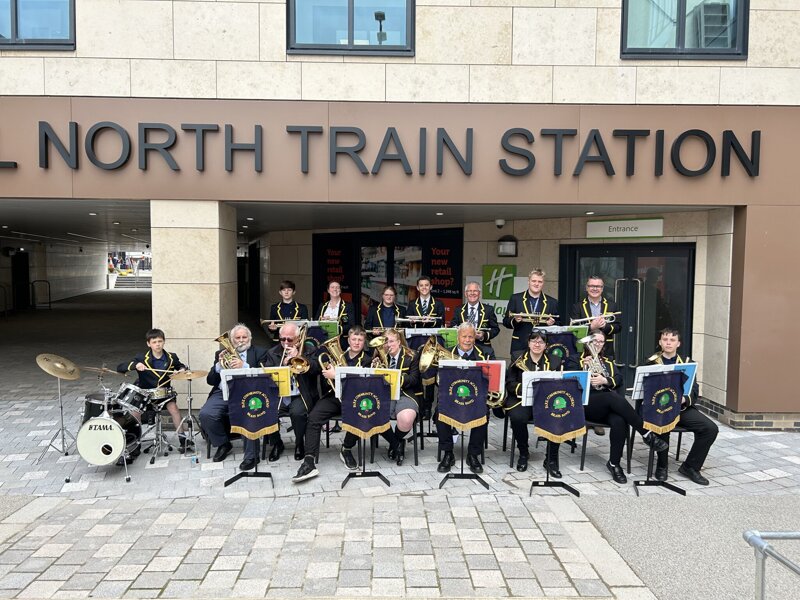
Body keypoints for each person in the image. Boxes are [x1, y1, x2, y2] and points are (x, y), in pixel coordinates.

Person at [567, 330, 669, 484]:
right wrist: (584, 367)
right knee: (611, 396)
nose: (598, 344)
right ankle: (646, 433)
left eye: (601, 342)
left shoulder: (607, 362)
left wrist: (605, 380)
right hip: (586, 404)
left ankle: (614, 464)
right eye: (594, 341)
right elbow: (569, 381)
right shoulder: (575, 360)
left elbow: (619, 379)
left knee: (619, 420)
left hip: (608, 405)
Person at [292, 326, 376, 482]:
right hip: (333, 396)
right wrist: (323, 370)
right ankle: (309, 461)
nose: (356, 343)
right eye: (353, 339)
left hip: (354, 399)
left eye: (360, 340)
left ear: (364, 342)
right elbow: (317, 367)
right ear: (348, 340)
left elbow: (363, 383)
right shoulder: (336, 355)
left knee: (362, 413)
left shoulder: (368, 359)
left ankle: (346, 449)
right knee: (314, 417)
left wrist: (336, 373)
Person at [647, 328, 718, 485]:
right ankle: (662, 466)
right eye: (665, 339)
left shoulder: (687, 363)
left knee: (710, 428)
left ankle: (691, 467)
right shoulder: (650, 362)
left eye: (672, 340)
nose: (668, 343)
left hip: (682, 409)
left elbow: (694, 389)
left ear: (678, 344)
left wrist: (685, 399)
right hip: (659, 410)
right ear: (660, 342)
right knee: (663, 420)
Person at [199, 324, 270, 468]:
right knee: (206, 414)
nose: (241, 340)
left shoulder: (260, 352)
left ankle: (251, 457)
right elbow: (210, 381)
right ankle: (223, 444)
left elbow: (266, 376)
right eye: (237, 338)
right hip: (223, 391)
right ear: (231, 340)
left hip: (248, 392)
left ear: (250, 338)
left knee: (249, 414)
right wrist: (218, 366)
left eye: (244, 337)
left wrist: (244, 366)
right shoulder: (221, 354)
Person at [116, 328, 189, 464]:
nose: (157, 344)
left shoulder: (171, 357)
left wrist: (181, 370)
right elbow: (120, 367)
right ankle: (134, 445)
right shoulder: (142, 358)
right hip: (146, 393)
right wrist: (135, 365)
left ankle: (183, 439)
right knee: (134, 413)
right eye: (154, 342)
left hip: (164, 393)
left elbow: (182, 366)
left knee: (174, 409)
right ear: (148, 344)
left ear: (164, 342)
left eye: (160, 341)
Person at [437, 322, 496, 475]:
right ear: (458, 337)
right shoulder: (446, 353)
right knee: (439, 411)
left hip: (476, 397)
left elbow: (494, 380)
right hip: (452, 397)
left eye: (471, 336)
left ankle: (473, 454)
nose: (467, 340)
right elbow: (435, 379)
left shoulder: (486, 353)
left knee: (484, 411)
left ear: (475, 338)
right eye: (464, 336)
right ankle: (448, 453)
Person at [504, 329, 563, 475]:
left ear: (546, 345)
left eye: (541, 341)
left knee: (559, 416)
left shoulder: (554, 361)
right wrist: (524, 388)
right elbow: (509, 383)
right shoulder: (517, 357)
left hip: (545, 402)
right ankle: (523, 452)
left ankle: (551, 459)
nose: (537, 344)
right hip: (522, 399)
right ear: (528, 343)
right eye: (534, 340)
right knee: (517, 418)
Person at [264, 321, 320, 465]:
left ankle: (299, 442)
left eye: (290, 339)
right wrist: (282, 365)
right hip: (281, 395)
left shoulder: (309, 350)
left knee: (298, 413)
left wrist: (301, 358)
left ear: (298, 339)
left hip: (301, 393)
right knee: (268, 411)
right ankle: (277, 443)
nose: (286, 342)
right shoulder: (272, 352)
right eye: (282, 339)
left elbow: (316, 369)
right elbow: (268, 376)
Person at [378, 328, 422, 466]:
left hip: (406, 393)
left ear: (399, 342)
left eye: (391, 341)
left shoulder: (412, 355)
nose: (388, 345)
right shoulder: (379, 355)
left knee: (406, 419)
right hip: (385, 395)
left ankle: (394, 441)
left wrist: (395, 377)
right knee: (373, 415)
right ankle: (397, 443)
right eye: (385, 342)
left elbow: (414, 379)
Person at [406, 275, 446, 420]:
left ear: (431, 287)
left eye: (426, 285)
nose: (424, 288)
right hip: (416, 342)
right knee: (417, 374)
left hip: (432, 342)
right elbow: (407, 322)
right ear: (417, 288)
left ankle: (428, 408)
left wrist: (431, 321)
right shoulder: (412, 304)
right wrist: (414, 321)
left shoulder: (439, 304)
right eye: (421, 286)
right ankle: (420, 407)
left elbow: (441, 322)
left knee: (430, 374)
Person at [503, 269, 559, 354]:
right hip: (520, 345)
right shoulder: (516, 298)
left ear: (543, 283)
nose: (536, 284)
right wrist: (515, 321)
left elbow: (559, 324)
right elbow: (506, 322)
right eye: (534, 281)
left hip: (542, 347)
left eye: (540, 282)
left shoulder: (552, 302)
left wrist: (552, 324)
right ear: (528, 281)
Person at [569, 275, 620, 357]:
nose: (595, 289)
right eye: (592, 286)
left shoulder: (612, 305)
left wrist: (604, 326)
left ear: (602, 289)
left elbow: (618, 327)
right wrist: (591, 327)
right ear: (586, 288)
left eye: (598, 286)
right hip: (584, 349)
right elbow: (574, 330)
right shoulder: (578, 306)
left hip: (606, 349)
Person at [450, 281, 500, 348]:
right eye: (470, 291)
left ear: (479, 294)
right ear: (466, 294)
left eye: (475, 291)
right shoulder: (458, 309)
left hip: (482, 347)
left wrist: (483, 335)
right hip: (463, 347)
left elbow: (495, 329)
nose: (472, 293)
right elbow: (453, 326)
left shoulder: (488, 310)